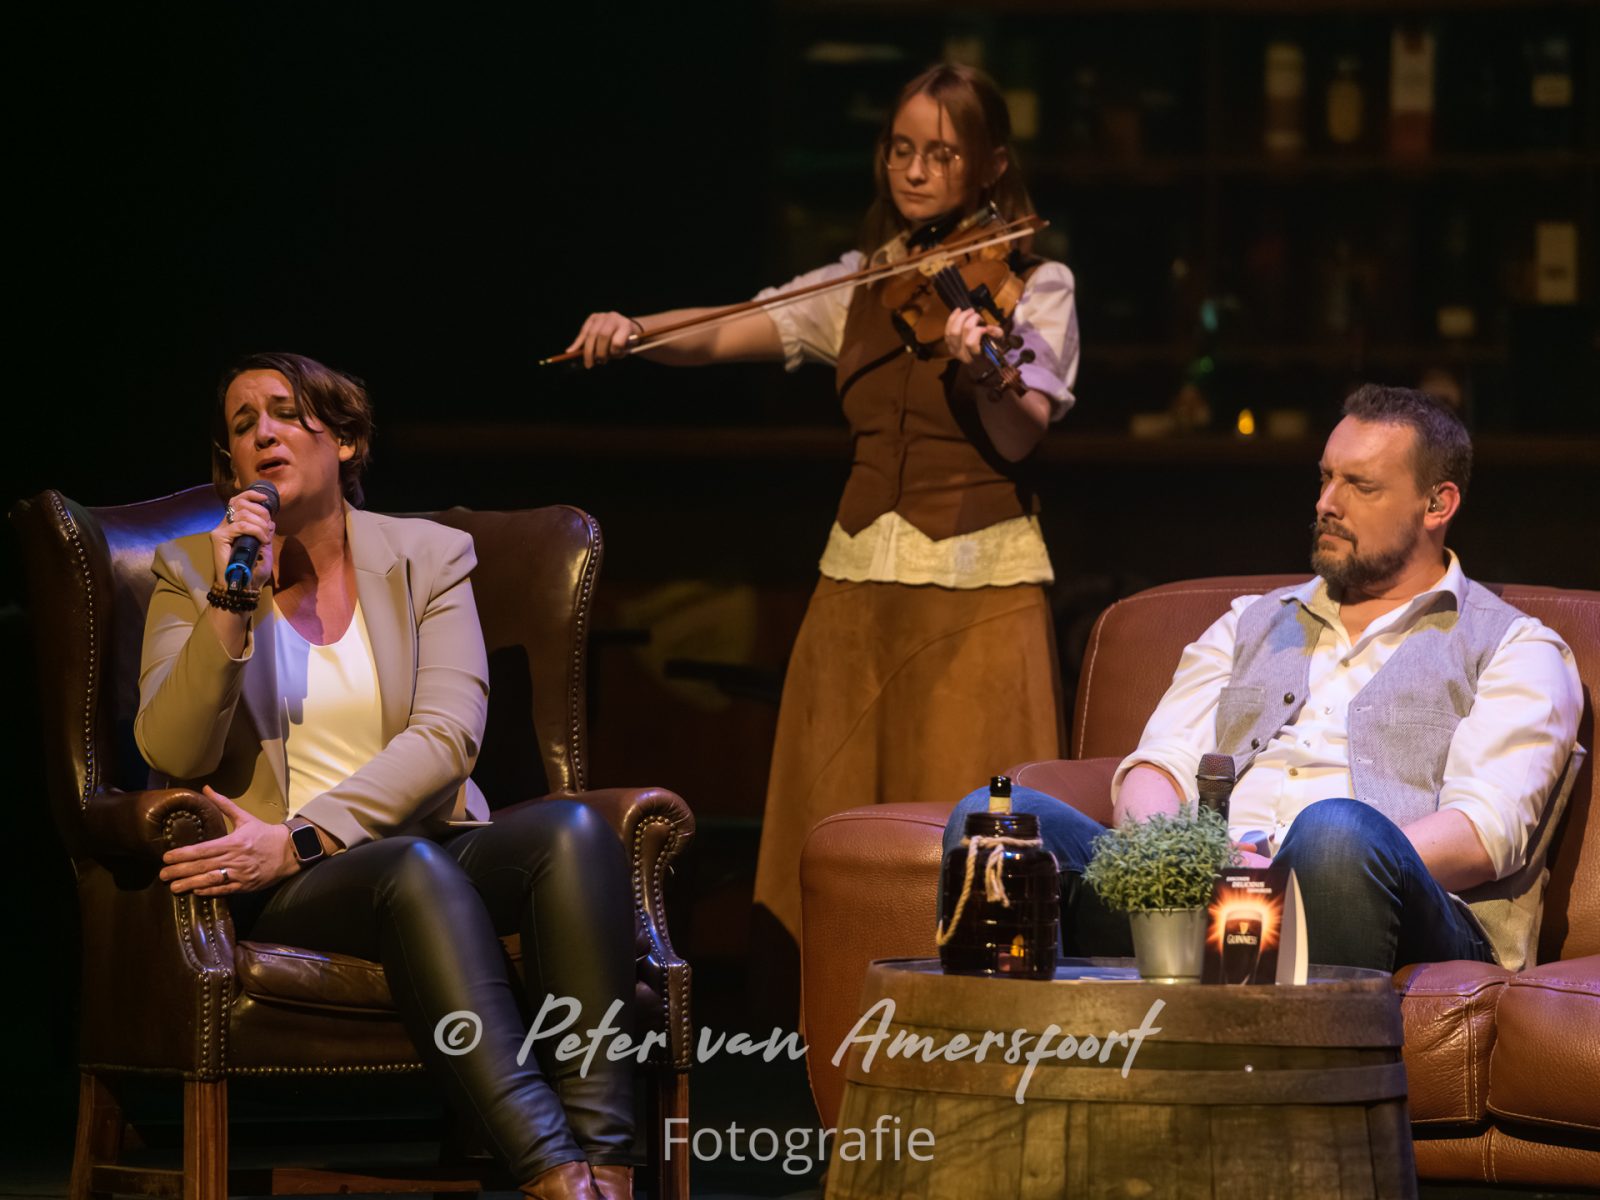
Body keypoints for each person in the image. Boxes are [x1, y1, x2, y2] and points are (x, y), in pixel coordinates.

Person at [566, 64, 1081, 968]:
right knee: (837, 829)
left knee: (971, 847)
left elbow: (1022, 430)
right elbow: (734, 327)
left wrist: (983, 371)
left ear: (992, 165)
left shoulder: (1037, 284)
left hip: (980, 594)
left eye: (941, 154)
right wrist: (638, 331)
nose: (913, 171)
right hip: (853, 592)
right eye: (901, 149)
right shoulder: (863, 280)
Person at [136, 352, 635, 1200]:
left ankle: (609, 1166)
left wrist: (305, 835)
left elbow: (448, 737)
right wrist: (232, 599)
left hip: (377, 843)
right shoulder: (189, 572)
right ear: (232, 466)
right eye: (243, 425)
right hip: (286, 879)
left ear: (346, 439)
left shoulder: (429, 556)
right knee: (411, 868)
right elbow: (172, 751)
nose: (263, 434)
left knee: (575, 832)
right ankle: (554, 1172)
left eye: (285, 411)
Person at [945, 385, 1582, 974]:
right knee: (990, 821)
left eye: (1360, 486)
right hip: (1203, 894)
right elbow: (1159, 768)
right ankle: (1009, 1054)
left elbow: (1482, 833)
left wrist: (1285, 871)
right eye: (1326, 477)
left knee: (1336, 833)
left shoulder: (1517, 647)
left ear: (1437, 504)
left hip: (1387, 906)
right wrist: (1183, 861)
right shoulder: (1248, 622)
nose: (1326, 504)